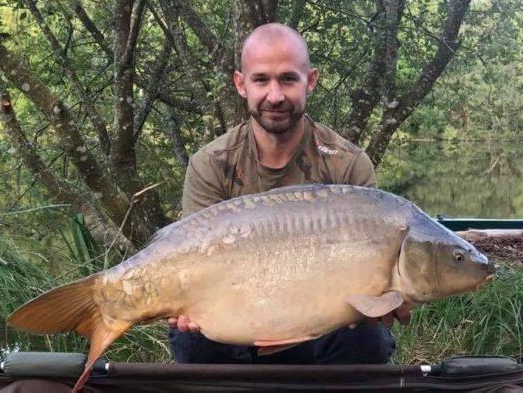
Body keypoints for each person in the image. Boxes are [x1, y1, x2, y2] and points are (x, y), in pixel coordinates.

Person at [168, 23, 409, 365]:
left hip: (321, 323)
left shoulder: (348, 164)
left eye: (288, 79)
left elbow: (374, 274)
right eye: (261, 80)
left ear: (310, 80)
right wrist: (184, 303)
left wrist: (387, 298)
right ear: (241, 84)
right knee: (191, 338)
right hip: (232, 318)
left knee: (368, 337)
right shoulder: (211, 163)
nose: (275, 96)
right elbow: (190, 259)